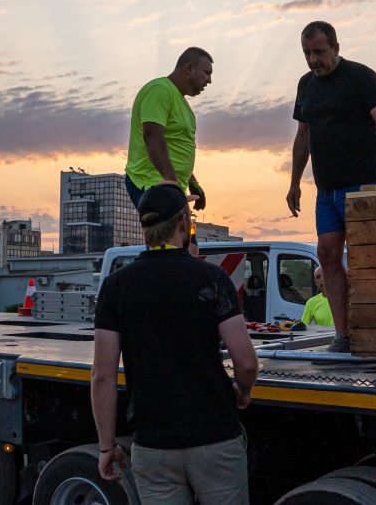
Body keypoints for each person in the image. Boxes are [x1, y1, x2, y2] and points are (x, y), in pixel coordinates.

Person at [91, 183, 258, 504]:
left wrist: (106, 445)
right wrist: (244, 390)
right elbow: (246, 362)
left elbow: (102, 375)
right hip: (215, 438)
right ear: (184, 223)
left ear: (144, 228)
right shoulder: (211, 278)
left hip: (154, 446)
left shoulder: (115, 287)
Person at [286, 21, 376, 353]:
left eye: (319, 52)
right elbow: (303, 136)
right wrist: (294, 183)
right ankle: (343, 335)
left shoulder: (361, 77)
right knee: (327, 254)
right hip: (327, 190)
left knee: (370, 258)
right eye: (307, 53)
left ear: (336, 47)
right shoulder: (305, 85)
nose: (313, 60)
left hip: (363, 187)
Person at [124, 47, 212, 210]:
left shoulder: (182, 104)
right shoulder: (160, 90)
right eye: (206, 73)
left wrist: (191, 181)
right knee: (169, 228)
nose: (209, 80)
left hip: (170, 186)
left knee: (184, 228)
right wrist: (172, 183)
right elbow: (152, 137)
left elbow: (174, 145)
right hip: (153, 184)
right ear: (190, 69)